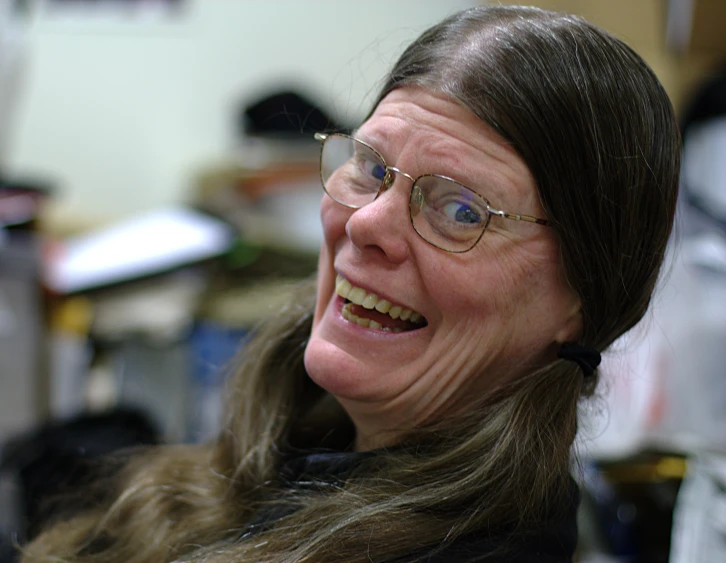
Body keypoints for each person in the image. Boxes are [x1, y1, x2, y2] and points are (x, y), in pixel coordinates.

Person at [22, 5, 680, 563]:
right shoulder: (294, 441)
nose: (367, 223)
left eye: (460, 211)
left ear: (581, 298)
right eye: (372, 167)